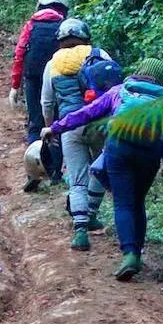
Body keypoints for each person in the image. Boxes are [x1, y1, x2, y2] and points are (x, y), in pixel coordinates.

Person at [45, 58, 163, 282]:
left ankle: (129, 255)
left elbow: (87, 113)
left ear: (139, 72)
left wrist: (55, 127)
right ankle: (138, 252)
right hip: (150, 155)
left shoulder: (120, 90)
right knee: (137, 203)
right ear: (161, 79)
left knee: (123, 203)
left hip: (120, 150)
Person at [40, 17, 109, 251]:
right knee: (100, 168)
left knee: (77, 179)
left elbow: (47, 102)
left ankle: (80, 232)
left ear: (60, 41)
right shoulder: (99, 54)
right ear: (86, 38)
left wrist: (52, 128)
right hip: (101, 123)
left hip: (70, 125)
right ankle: (91, 215)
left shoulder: (53, 64)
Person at [9, 0, 69, 187]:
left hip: (33, 78)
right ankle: (55, 173)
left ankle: (33, 173)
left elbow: (19, 54)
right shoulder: (64, 27)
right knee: (56, 123)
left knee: (35, 123)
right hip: (57, 78)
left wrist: (15, 86)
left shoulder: (31, 25)